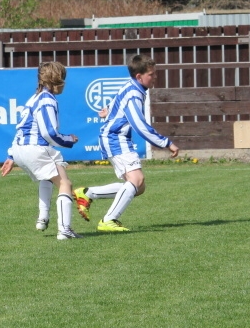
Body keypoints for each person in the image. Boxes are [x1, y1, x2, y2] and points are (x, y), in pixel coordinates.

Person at [73, 54, 179, 232]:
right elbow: (140, 126)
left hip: (115, 138)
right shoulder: (134, 94)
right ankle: (108, 220)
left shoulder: (131, 87)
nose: (155, 77)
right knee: (136, 179)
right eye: (151, 74)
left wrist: (108, 113)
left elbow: (116, 103)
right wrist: (166, 143)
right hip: (116, 138)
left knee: (138, 187)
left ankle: (87, 194)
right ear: (139, 76)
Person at [0, 61, 82, 240]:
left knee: (47, 178)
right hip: (35, 149)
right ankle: (64, 230)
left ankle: (43, 218)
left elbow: (21, 128)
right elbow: (49, 133)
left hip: (20, 149)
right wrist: (69, 139)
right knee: (65, 185)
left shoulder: (33, 98)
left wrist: (11, 155)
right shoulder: (47, 100)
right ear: (58, 80)